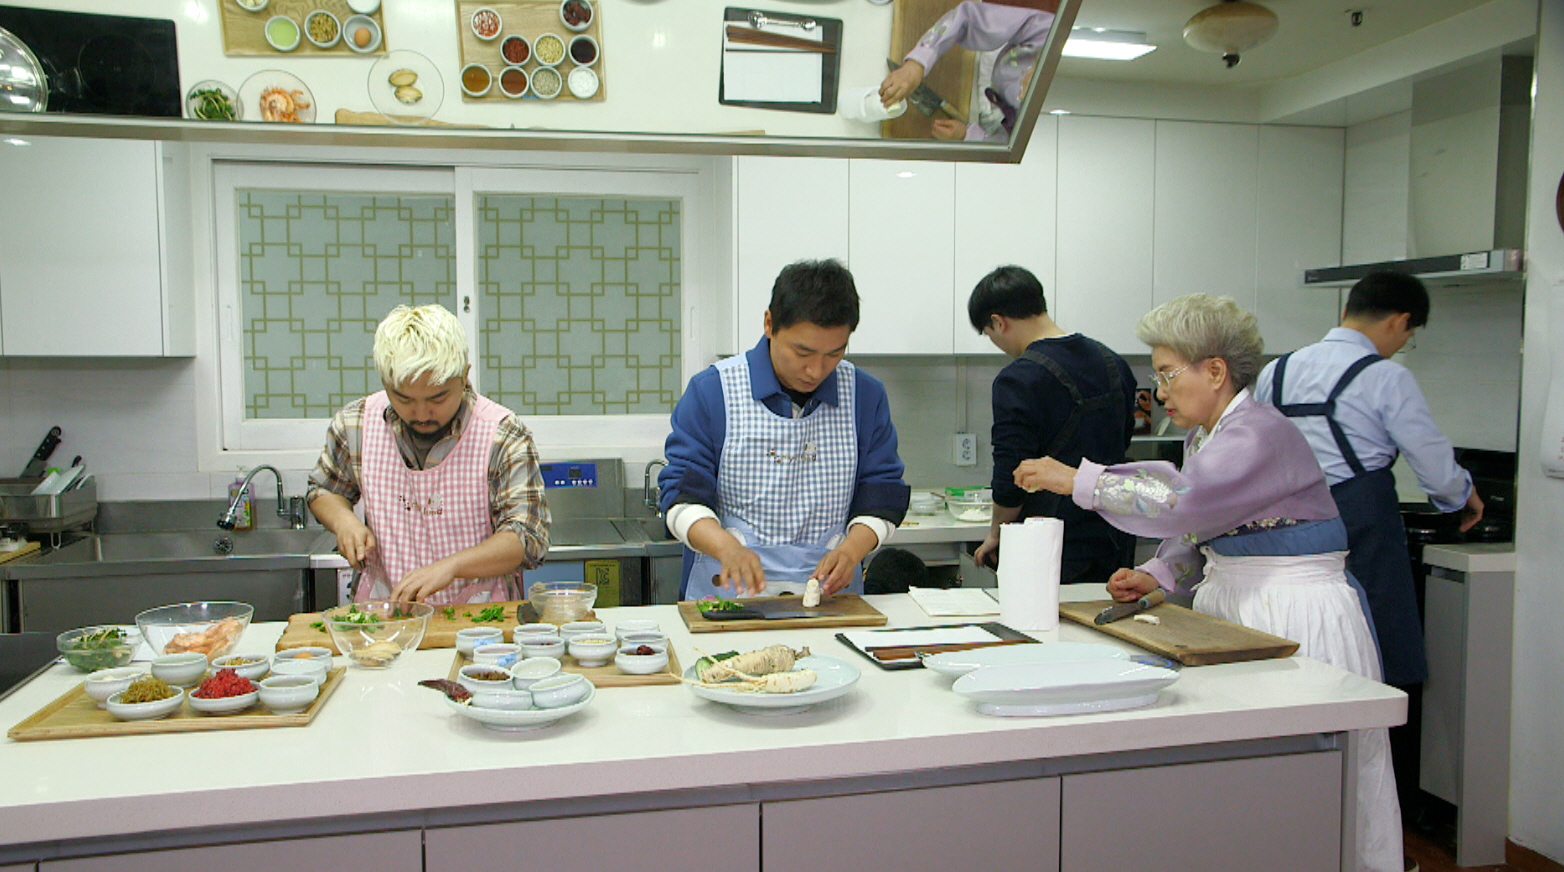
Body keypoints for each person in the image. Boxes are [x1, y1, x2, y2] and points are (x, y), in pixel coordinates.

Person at [1013, 294, 1403, 872]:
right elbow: (1204, 527)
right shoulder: (1211, 435)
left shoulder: (1258, 432)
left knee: (1308, 782)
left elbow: (1181, 501)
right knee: (1251, 784)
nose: (1161, 390)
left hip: (1294, 609)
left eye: (1167, 373)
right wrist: (1158, 573)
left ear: (1215, 370)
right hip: (1244, 604)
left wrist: (1077, 479)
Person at [1253, 269, 1482, 821]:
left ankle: (1293, 797)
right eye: (1409, 334)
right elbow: (1432, 465)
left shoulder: (1274, 373)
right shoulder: (1386, 378)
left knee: (1296, 652)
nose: (1404, 344)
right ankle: (1373, 805)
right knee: (1377, 656)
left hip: (1281, 528)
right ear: (1400, 321)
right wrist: (1464, 498)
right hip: (1361, 525)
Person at [658, 259, 911, 600]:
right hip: (725, 599)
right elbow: (680, 497)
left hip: (832, 600)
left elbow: (881, 495)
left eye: (834, 354)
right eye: (801, 351)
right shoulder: (713, 391)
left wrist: (851, 552)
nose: (815, 370)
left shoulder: (864, 396)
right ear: (769, 324)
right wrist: (726, 547)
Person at [307, 304, 550, 604]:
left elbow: (527, 538)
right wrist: (344, 522)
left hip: (481, 620)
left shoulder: (502, 434)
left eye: (438, 397)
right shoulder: (355, 424)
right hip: (385, 615)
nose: (421, 413)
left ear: (464, 377)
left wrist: (452, 567)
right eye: (404, 398)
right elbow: (324, 490)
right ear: (385, 382)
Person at [967, 265, 1137, 585]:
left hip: (1052, 542)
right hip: (1114, 536)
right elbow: (1123, 438)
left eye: (990, 335)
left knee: (1046, 629)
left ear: (998, 322)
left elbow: (1010, 473)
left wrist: (996, 533)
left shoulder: (1018, 378)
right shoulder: (1115, 362)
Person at [879, 0, 1059, 142]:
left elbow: (1011, 143)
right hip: (985, 57)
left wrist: (968, 136)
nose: (1025, 86)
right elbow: (967, 17)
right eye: (1032, 77)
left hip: (986, 112)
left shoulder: (1054, 133)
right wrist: (915, 64)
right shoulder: (1051, 32)